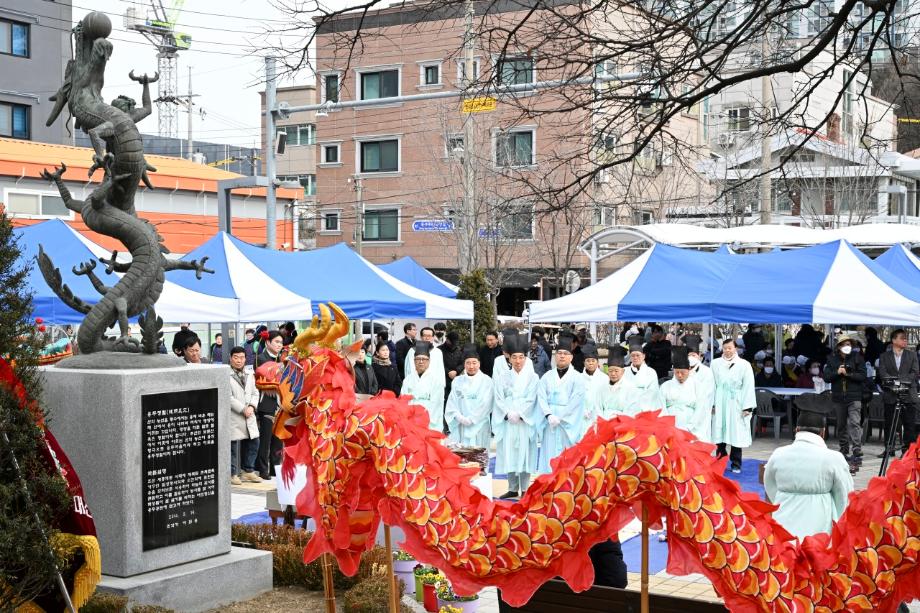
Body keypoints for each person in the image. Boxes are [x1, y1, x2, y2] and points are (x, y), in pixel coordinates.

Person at [763, 410, 854, 539]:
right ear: (823, 432)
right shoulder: (834, 458)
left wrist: (785, 497)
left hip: (783, 521)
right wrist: (837, 518)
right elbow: (844, 495)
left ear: (796, 430)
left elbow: (770, 484)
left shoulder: (778, 454)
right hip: (820, 526)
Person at [492, 334, 540, 499]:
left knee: (525, 453)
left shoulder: (533, 378)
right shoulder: (502, 377)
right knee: (509, 453)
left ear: (526, 358)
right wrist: (507, 413)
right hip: (508, 422)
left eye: (521, 357)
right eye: (514, 357)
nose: (518, 361)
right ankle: (512, 487)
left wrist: (520, 413)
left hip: (524, 421)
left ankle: (525, 488)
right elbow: (498, 398)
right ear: (509, 358)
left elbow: (532, 398)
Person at [537, 331, 586, 474]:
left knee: (566, 457)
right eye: (559, 353)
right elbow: (541, 397)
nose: (562, 356)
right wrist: (548, 415)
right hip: (550, 422)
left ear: (571, 357)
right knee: (549, 456)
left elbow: (576, 401)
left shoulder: (577, 378)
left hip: (567, 424)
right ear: (555, 356)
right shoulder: (546, 377)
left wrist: (561, 417)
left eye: (565, 353)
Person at [711, 338, 756, 474]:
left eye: (730, 348)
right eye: (725, 348)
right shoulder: (715, 363)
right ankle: (721, 460)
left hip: (736, 400)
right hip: (720, 398)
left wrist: (747, 406)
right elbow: (712, 384)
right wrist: (712, 403)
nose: (727, 351)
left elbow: (748, 385)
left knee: (736, 432)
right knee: (719, 431)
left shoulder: (744, 364)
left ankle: (736, 463)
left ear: (735, 348)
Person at [823, 334, 866, 471]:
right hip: (838, 397)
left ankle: (857, 450)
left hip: (854, 397)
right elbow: (826, 377)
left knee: (854, 422)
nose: (847, 347)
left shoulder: (857, 358)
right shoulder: (831, 359)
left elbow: (863, 375)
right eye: (844, 344)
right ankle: (844, 450)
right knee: (841, 424)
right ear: (839, 347)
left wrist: (848, 374)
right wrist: (837, 372)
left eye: (849, 344)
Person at [877, 328, 919, 456]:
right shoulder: (884, 356)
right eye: (902, 338)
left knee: (909, 425)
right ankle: (889, 449)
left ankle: (907, 452)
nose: (905, 340)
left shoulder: (911, 355)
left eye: (906, 338)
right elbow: (882, 373)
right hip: (891, 394)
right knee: (889, 424)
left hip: (908, 394)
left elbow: (915, 372)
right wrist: (893, 384)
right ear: (894, 340)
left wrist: (901, 382)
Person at [446, 344, 494, 448]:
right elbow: (452, 402)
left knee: (479, 457)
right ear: (464, 365)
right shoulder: (457, 381)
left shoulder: (487, 381)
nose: (471, 366)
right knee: (463, 458)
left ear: (479, 364)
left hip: (480, 425)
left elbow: (486, 404)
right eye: (468, 363)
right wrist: (460, 417)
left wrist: (472, 419)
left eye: (474, 363)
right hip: (462, 425)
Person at [228, 346, 261, 485]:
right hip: (235, 415)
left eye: (241, 357)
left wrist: (252, 406)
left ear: (245, 359)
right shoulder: (225, 375)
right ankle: (232, 473)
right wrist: (243, 409)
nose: (239, 360)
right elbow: (228, 397)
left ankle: (248, 471)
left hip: (249, 414)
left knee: (253, 442)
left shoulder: (250, 374)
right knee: (233, 446)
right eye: (236, 357)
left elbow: (255, 392)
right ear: (230, 358)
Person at [660, 347, 708, 439]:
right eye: (677, 372)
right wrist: (669, 426)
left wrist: (689, 427)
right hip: (670, 427)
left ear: (689, 370)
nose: (680, 375)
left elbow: (700, 409)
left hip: (691, 427)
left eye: (683, 372)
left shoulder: (697, 386)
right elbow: (661, 408)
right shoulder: (665, 386)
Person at [255, 331, 284, 479]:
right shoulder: (260, 358)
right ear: (267, 342)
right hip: (266, 401)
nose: (279, 345)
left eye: (281, 342)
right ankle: (263, 469)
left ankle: (275, 468)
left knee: (278, 440)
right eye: (276, 342)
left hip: (281, 403)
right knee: (265, 438)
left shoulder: (283, 359)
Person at [400, 342, 444, 431]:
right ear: (414, 361)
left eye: (424, 359)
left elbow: (436, 403)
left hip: (429, 422)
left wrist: (422, 418)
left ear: (429, 361)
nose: (421, 362)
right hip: (411, 420)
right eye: (418, 359)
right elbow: (403, 400)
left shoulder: (436, 381)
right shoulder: (408, 380)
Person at [592, 345, 638, 420]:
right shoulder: (602, 387)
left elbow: (631, 410)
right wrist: (603, 422)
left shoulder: (630, 388)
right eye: (610, 371)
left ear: (623, 371)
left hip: (622, 425)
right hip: (604, 424)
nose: (613, 374)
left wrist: (617, 422)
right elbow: (597, 408)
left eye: (616, 371)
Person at [686, 337, 714, 442]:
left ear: (699, 356)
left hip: (702, 409)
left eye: (693, 355)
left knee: (701, 438)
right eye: (689, 355)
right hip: (687, 410)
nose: (691, 358)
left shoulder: (707, 372)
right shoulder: (683, 371)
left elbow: (709, 392)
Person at [624, 336, 662, 412]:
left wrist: (638, 406)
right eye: (633, 356)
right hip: (627, 409)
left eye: (638, 355)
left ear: (643, 356)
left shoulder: (651, 372)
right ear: (630, 358)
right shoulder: (624, 371)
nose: (635, 358)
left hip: (645, 410)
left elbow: (653, 394)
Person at [581, 342, 606, 427]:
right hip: (581, 418)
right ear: (584, 362)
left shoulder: (604, 379)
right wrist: (583, 410)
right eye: (588, 361)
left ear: (597, 362)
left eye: (593, 360)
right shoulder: (578, 378)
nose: (590, 363)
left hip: (599, 418)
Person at [441, 330, 464, 400]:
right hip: (443, 381)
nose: (454, 345)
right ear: (447, 340)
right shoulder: (439, 350)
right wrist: (448, 372)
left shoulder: (459, 350)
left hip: (456, 380)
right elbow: (438, 364)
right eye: (452, 343)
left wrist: (456, 371)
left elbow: (463, 363)